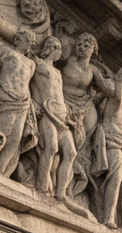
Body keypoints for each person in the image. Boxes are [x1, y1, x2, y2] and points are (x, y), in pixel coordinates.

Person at [30, 36, 90, 217]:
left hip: (62, 116)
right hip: (48, 113)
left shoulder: (57, 73)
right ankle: (41, 188)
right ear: (50, 48)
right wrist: (36, 105)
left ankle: (61, 193)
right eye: (58, 49)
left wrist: (69, 119)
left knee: (71, 153)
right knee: (51, 148)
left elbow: (60, 95)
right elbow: (33, 86)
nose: (61, 53)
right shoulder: (38, 64)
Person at [0, 27, 39, 176]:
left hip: (23, 101)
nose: (29, 44)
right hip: (5, 96)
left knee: (15, 141)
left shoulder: (31, 63)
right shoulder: (6, 51)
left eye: (31, 42)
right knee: (3, 135)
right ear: (18, 39)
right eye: (27, 40)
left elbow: (28, 84)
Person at [93, 66, 122, 232]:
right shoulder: (113, 101)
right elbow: (118, 96)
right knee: (116, 178)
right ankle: (109, 217)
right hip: (112, 142)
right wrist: (120, 78)